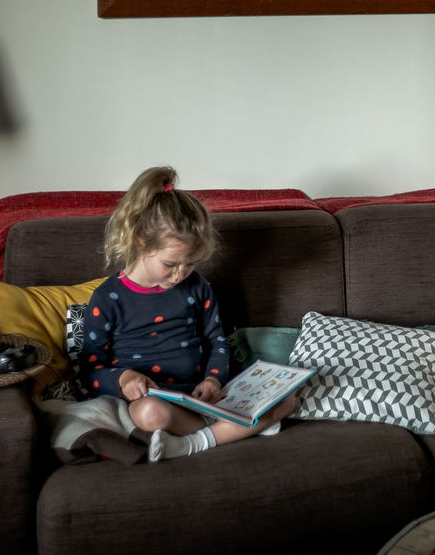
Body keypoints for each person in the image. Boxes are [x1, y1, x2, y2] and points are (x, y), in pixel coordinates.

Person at [79, 166, 294, 457]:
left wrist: (213, 380)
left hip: (203, 395)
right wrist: (123, 378)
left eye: (190, 263)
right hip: (158, 400)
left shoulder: (197, 287)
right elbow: (90, 368)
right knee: (149, 414)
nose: (180, 274)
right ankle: (235, 430)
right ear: (141, 242)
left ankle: (196, 440)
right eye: (170, 264)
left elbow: (217, 341)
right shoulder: (108, 297)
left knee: (289, 400)